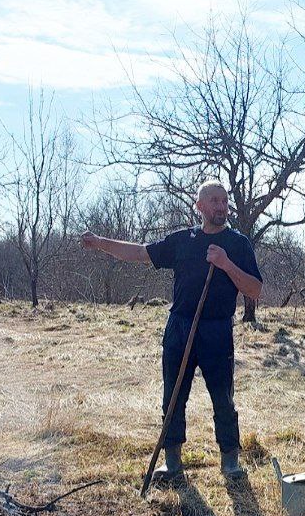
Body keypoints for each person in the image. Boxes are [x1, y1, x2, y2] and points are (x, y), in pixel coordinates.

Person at [82, 181, 263, 482]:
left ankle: (230, 462)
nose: (221, 206)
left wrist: (226, 264)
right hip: (180, 326)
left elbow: (255, 289)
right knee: (174, 396)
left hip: (217, 330)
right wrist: (101, 242)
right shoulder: (183, 240)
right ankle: (173, 463)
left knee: (223, 398)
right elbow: (140, 253)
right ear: (200, 206)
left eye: (224, 201)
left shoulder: (238, 244)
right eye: (214, 201)